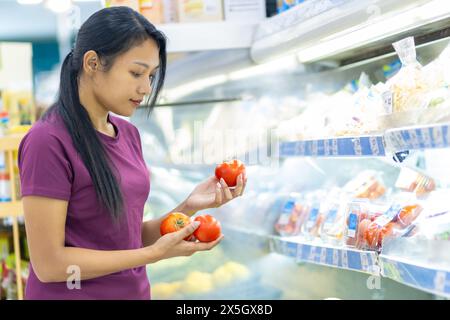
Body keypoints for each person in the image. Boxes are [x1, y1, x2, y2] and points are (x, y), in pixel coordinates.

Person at [18, 6, 247, 300]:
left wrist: (188, 207)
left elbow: (124, 239)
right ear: (92, 63)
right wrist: (150, 255)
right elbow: (49, 264)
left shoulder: (128, 135)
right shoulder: (47, 141)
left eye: (151, 75)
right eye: (136, 72)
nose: (146, 87)